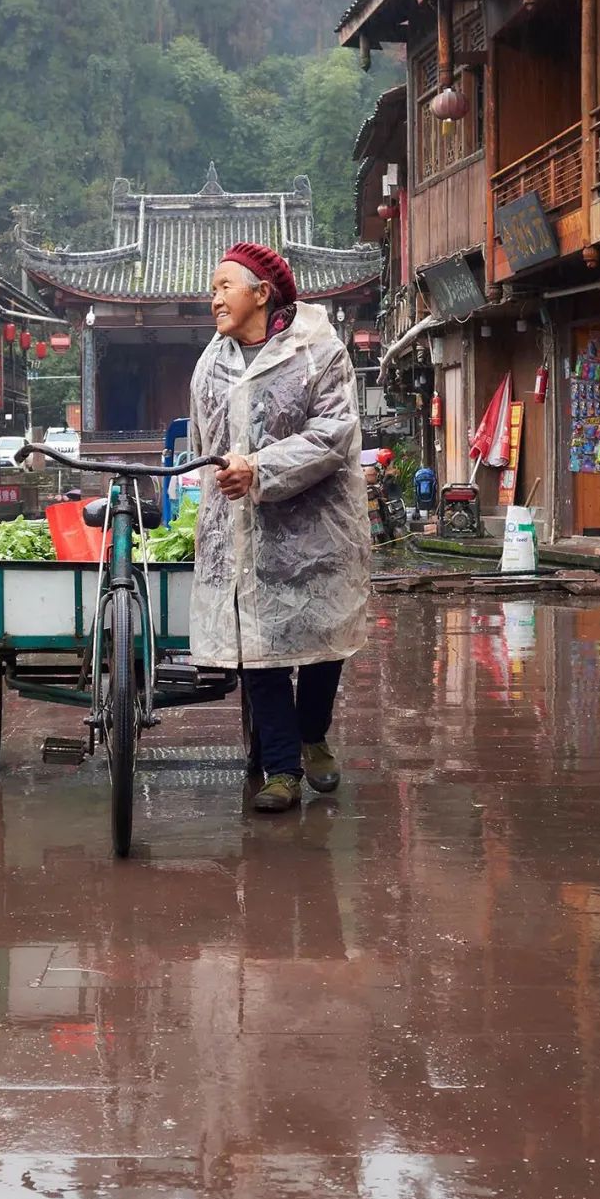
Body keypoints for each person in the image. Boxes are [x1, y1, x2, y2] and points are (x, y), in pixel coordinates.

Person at [188, 241, 370, 813]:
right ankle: (283, 770)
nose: (213, 297)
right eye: (213, 287)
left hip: (317, 525)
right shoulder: (210, 362)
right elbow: (202, 442)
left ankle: (313, 733)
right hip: (239, 529)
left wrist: (260, 468)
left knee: (320, 643)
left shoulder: (318, 350)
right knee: (256, 650)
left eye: (224, 286)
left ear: (261, 294)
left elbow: (333, 434)